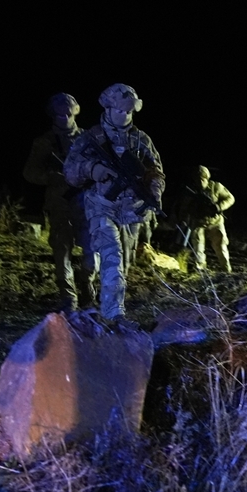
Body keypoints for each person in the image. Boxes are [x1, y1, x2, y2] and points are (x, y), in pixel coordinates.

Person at [64, 83, 165, 321]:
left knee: (125, 263)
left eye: (129, 112)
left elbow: (156, 171)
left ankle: (113, 307)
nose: (125, 116)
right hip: (101, 206)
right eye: (120, 111)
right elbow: (70, 170)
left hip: (131, 212)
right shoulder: (91, 138)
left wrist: (155, 190)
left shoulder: (141, 140)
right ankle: (113, 315)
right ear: (108, 109)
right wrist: (92, 169)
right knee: (112, 256)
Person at [23, 93, 98, 311]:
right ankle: (68, 296)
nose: (64, 115)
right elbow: (30, 172)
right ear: (52, 114)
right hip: (59, 204)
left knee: (92, 253)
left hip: (86, 204)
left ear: (75, 111)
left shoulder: (88, 139)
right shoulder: (44, 142)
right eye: (59, 111)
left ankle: (87, 285)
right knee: (61, 252)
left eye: (68, 110)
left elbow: (103, 168)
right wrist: (53, 176)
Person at [177, 165, 235, 272]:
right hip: (198, 222)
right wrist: (185, 217)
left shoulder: (216, 187)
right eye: (197, 178)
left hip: (216, 222)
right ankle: (200, 271)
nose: (200, 181)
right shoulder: (191, 191)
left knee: (221, 247)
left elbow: (230, 198)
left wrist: (219, 206)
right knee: (198, 248)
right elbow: (184, 207)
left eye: (202, 178)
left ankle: (226, 270)